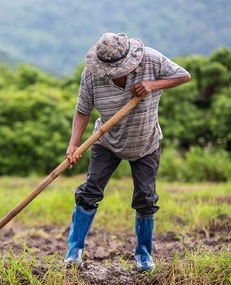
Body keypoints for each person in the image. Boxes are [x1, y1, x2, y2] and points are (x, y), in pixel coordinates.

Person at [64, 32, 191, 271]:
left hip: (146, 142)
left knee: (145, 198)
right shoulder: (92, 74)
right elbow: (83, 110)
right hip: (107, 140)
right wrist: (73, 145)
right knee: (89, 192)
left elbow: (183, 76)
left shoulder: (151, 60)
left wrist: (153, 85)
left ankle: (143, 255)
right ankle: (74, 251)